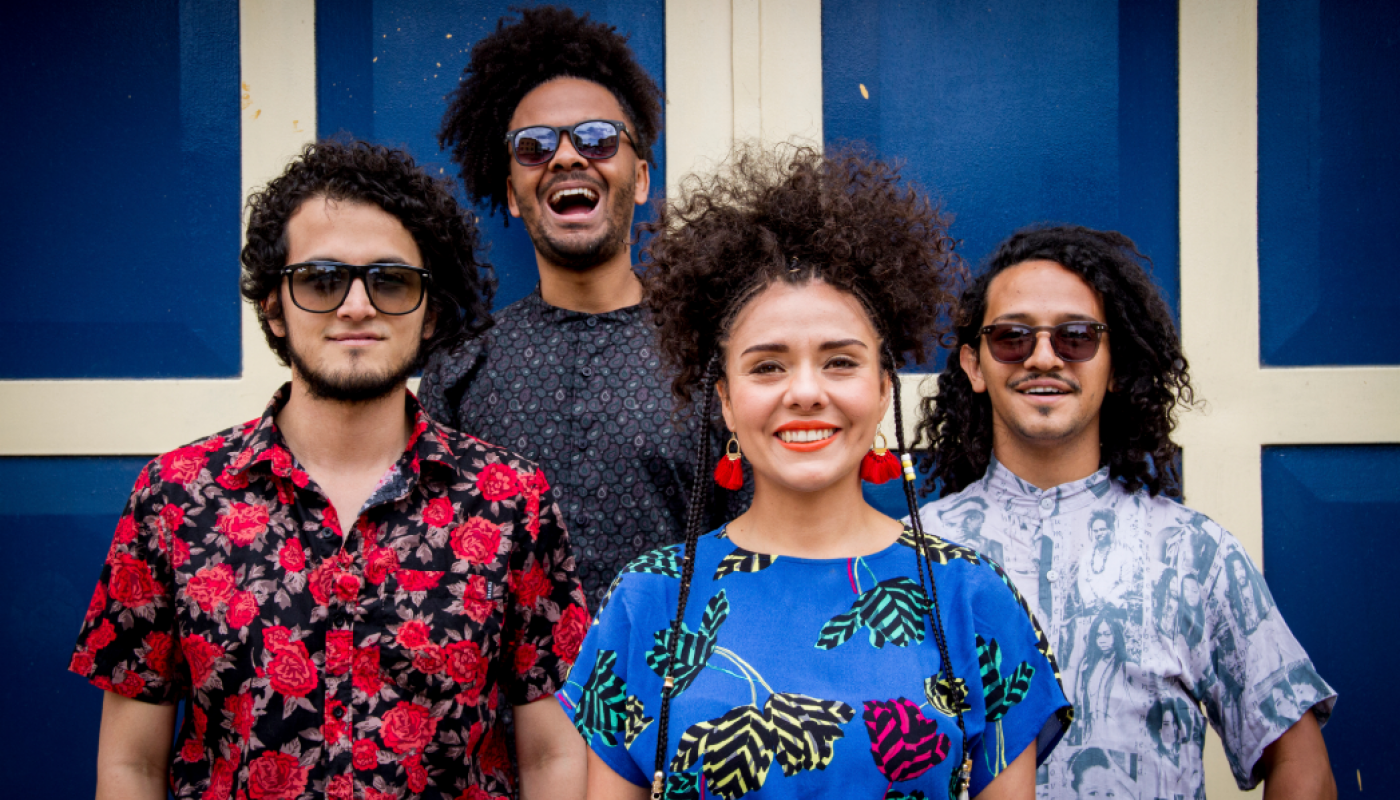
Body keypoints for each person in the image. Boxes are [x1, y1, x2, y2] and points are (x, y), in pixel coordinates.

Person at [70, 141, 587, 799]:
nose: (356, 305)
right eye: (320, 279)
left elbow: (551, 756)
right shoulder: (174, 497)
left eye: (391, 280)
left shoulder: (510, 500)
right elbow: (130, 765)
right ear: (273, 309)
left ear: (431, 314)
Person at [558, 147, 1072, 799]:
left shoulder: (971, 598)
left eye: (839, 362)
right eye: (768, 366)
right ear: (724, 401)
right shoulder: (647, 599)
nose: (804, 391)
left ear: (885, 388)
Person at [915, 225, 1336, 799]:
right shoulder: (911, 551)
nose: (1043, 357)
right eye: (1012, 337)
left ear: (1114, 366)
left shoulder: (1196, 553)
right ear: (973, 365)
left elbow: (1301, 763)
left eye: (1077, 337)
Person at [423, 5, 741, 606]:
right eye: (533, 146)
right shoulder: (461, 369)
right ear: (513, 196)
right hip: (505, 700)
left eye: (596, 138)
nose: (567, 158)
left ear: (641, 178)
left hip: (677, 692)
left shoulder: (712, 356)